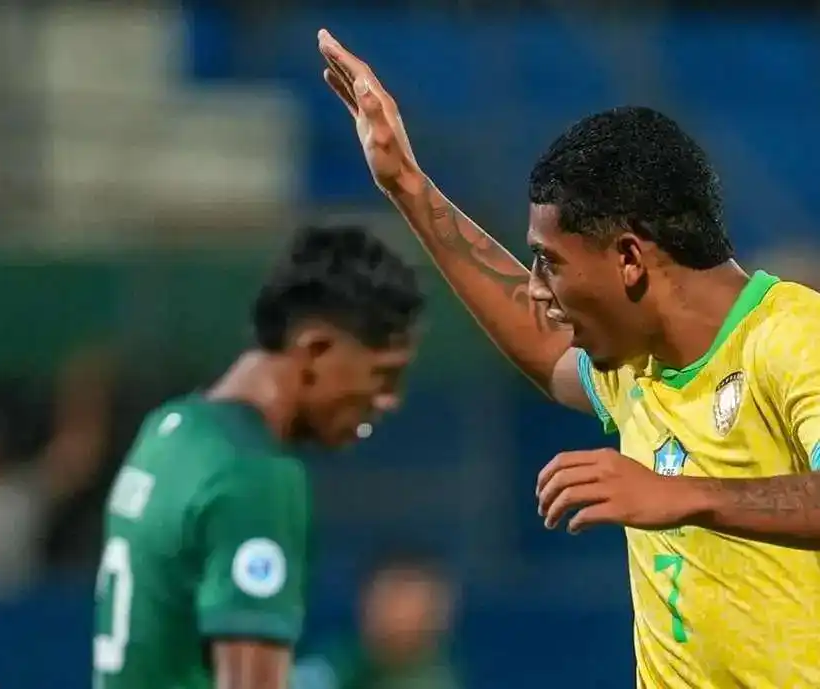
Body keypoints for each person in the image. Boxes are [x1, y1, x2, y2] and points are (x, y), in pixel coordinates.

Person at [317, 28, 820, 688]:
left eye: (550, 262)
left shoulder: (792, 337)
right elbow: (545, 348)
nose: (536, 287)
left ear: (631, 260)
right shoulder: (638, 367)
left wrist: (679, 494)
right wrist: (409, 185)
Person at [92, 225, 424, 689]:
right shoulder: (258, 477)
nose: (389, 400)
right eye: (383, 375)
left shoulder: (168, 431)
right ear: (317, 349)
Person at [294, 549, 463, 689]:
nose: (387, 609)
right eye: (380, 594)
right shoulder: (342, 659)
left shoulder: (430, 683)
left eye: (401, 596)